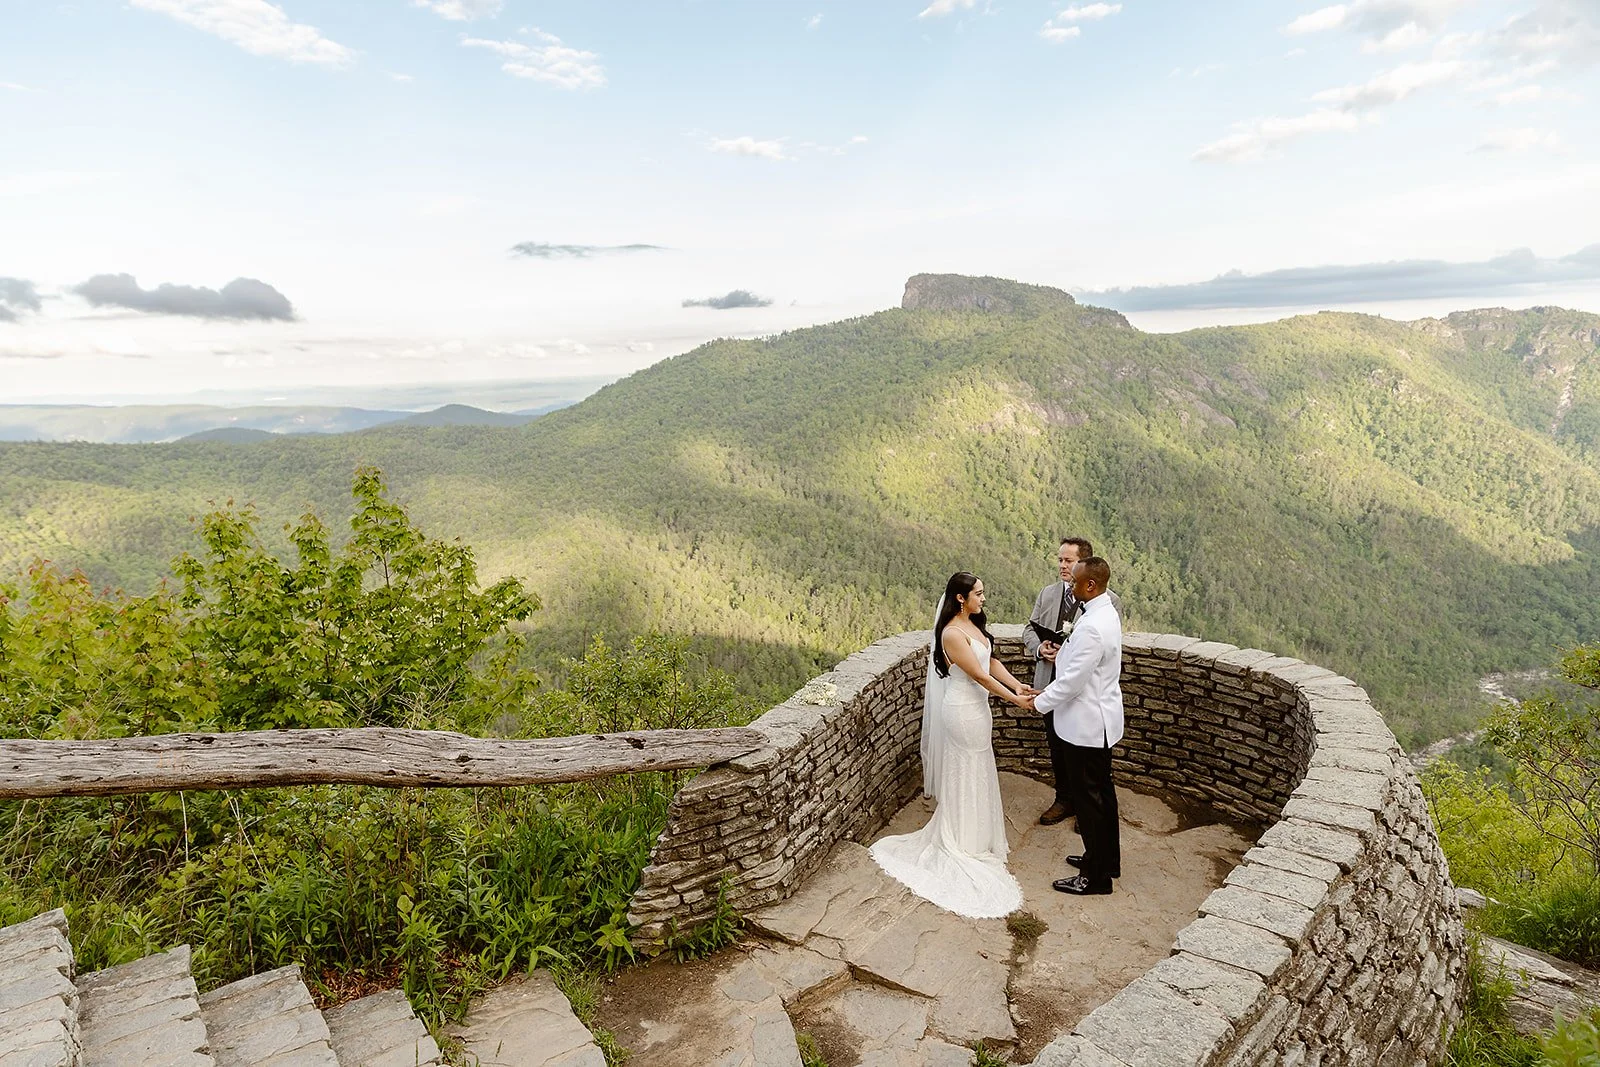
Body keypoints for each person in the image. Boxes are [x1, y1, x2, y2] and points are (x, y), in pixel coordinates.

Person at [870, 572, 1031, 918]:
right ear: (960, 598)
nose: (983, 599)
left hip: (978, 709)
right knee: (966, 769)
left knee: (978, 767)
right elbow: (978, 675)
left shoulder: (973, 625)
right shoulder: (952, 634)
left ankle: (976, 835)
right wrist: (1015, 701)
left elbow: (991, 662)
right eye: (979, 594)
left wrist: (1018, 685)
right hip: (961, 710)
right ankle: (961, 839)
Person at [1028, 556, 1123, 895]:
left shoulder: (1095, 626)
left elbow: (1072, 682)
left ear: (1091, 586)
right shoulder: (1102, 611)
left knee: (1090, 802)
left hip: (1086, 726)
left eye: (1076, 581)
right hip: (1098, 720)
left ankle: (1096, 878)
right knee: (1103, 796)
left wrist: (1038, 701)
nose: (1070, 585)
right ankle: (1105, 859)